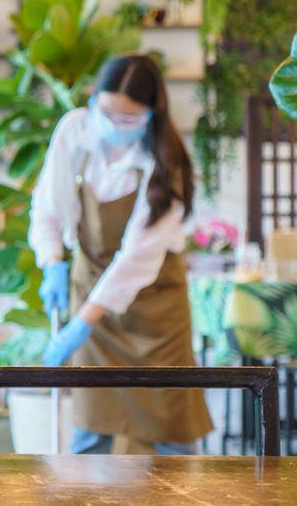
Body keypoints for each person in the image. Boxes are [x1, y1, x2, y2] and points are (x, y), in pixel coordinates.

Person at [30, 54, 212, 455]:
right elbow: (48, 206)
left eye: (129, 118)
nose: (115, 124)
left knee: (172, 428)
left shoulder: (166, 163)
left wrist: (82, 322)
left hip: (154, 307)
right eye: (107, 111)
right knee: (93, 422)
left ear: (150, 115)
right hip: (91, 288)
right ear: (94, 98)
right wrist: (53, 263)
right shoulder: (75, 131)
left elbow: (136, 260)